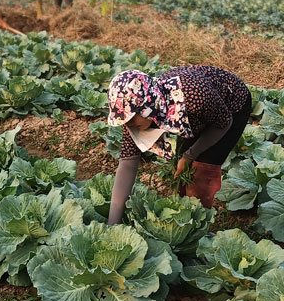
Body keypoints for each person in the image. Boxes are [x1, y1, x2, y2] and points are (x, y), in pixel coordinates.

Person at [105, 65, 252, 221]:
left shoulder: (194, 97)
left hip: (231, 106)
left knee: (200, 170)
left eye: (131, 118)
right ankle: (184, 215)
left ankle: (198, 221)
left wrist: (189, 156)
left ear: (146, 107)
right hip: (197, 113)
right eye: (124, 119)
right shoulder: (135, 115)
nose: (128, 124)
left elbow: (223, 123)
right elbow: (127, 163)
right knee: (182, 170)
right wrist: (113, 224)